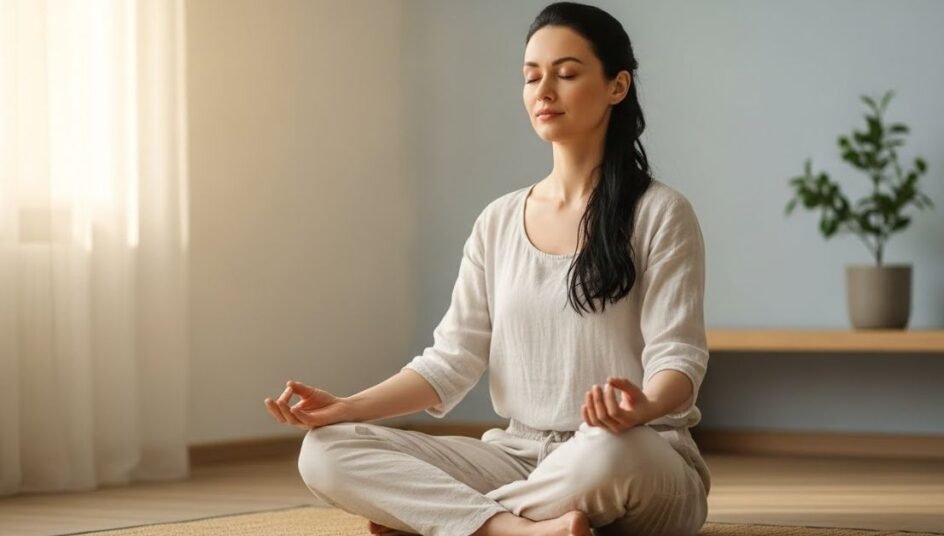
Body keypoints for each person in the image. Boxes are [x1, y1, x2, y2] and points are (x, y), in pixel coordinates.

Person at [263, 2, 711, 535]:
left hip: (637, 454)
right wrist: (347, 407)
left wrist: (642, 407)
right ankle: (514, 530)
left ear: (617, 86)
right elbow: (451, 361)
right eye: (531, 77)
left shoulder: (661, 213)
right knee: (326, 452)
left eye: (566, 74)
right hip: (518, 455)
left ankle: (446, 521)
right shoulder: (498, 221)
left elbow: (678, 359)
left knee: (607, 454)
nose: (544, 91)